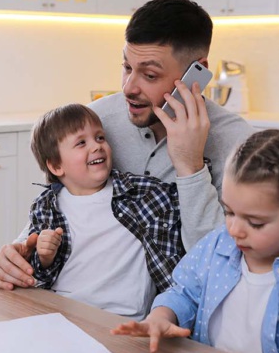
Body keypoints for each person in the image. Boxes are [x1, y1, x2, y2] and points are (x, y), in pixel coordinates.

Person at [0, 0, 254, 291]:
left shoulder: (237, 145)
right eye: (127, 67)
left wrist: (191, 168)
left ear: (197, 71)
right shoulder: (98, 122)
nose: (129, 88)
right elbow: (60, 204)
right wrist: (17, 252)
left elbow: (223, 265)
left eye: (150, 74)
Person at [112, 129, 279, 353]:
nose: (234, 230)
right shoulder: (218, 243)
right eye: (229, 212)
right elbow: (184, 292)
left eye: (255, 223)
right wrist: (161, 317)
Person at [28, 103, 183, 319]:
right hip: (61, 313)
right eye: (81, 143)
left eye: (100, 137)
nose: (96, 146)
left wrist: (190, 159)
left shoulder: (143, 194)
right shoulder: (46, 207)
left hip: (123, 318)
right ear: (56, 166)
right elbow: (37, 276)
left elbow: (187, 198)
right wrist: (44, 257)